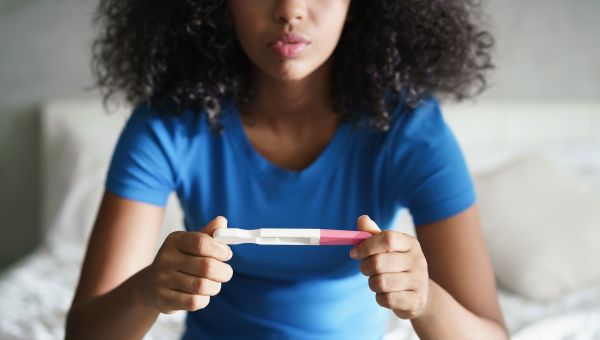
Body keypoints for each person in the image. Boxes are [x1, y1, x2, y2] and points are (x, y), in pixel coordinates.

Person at [66, 0, 508, 339]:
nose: (290, 11)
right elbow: (84, 331)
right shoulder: (167, 124)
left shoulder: (411, 129)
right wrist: (147, 291)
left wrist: (425, 300)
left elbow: (491, 331)